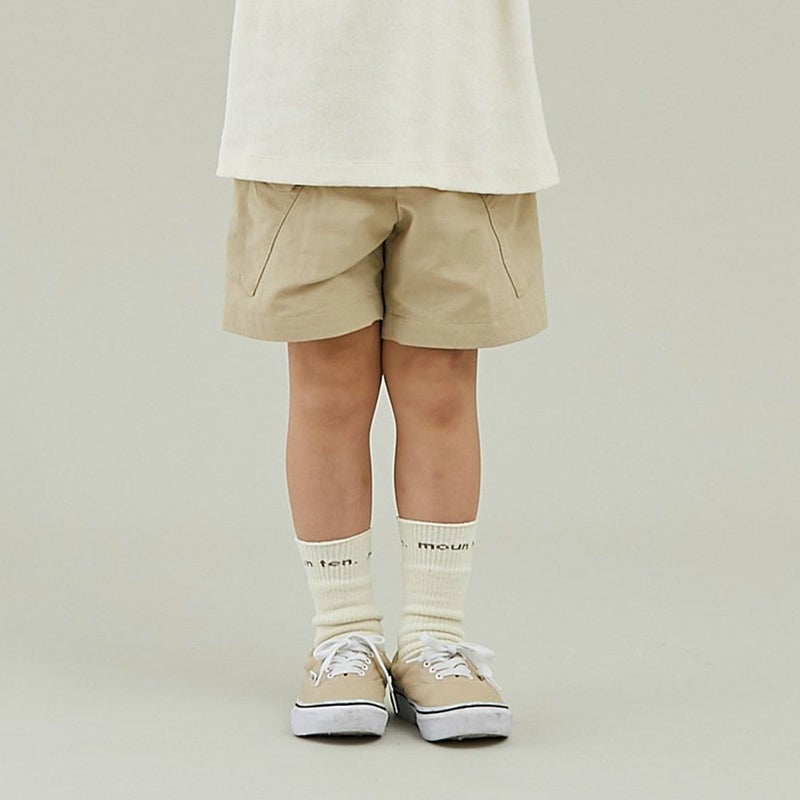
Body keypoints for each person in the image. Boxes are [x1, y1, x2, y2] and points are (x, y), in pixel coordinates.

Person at [215, 0, 560, 742]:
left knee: (441, 388)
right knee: (327, 389)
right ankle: (342, 633)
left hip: (463, 122)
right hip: (306, 118)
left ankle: (435, 635)